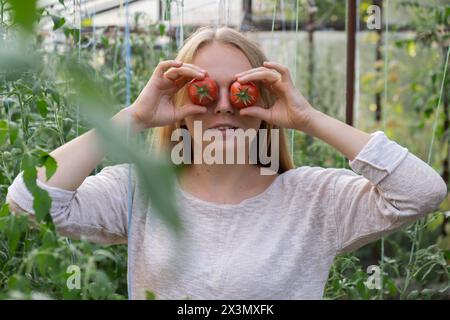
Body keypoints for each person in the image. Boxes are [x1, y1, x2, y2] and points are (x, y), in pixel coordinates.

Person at [6, 26, 447, 299]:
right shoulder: (141, 191)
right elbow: (29, 199)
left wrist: (308, 119)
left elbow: (422, 192)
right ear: (176, 102)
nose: (222, 105)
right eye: (201, 89)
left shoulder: (313, 199)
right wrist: (135, 117)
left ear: (267, 100)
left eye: (242, 90)